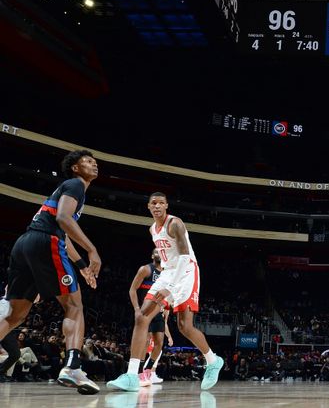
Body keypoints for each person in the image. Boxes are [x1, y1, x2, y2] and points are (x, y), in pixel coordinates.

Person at [0, 150, 101, 394]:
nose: (94, 164)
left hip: (25, 244)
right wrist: (92, 250)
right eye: (88, 161)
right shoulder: (75, 184)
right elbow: (65, 220)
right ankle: (72, 367)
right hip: (45, 241)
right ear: (75, 168)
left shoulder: (67, 190)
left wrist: (82, 267)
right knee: (74, 306)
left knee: (15, 315)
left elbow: (64, 235)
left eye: (95, 162)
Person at [108, 192, 222, 391]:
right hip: (169, 272)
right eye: (154, 203)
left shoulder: (175, 223)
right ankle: (131, 375)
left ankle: (213, 361)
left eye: (161, 203)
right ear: (149, 207)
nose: (158, 206)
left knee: (184, 326)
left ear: (167, 205)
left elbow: (185, 256)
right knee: (142, 317)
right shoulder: (152, 229)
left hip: (187, 271)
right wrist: (166, 282)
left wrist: (169, 287)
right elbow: (168, 259)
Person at [128, 249, 173, 386]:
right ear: (152, 255)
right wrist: (136, 309)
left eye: (162, 251)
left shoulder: (167, 273)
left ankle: (148, 371)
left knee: (159, 343)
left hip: (158, 311)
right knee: (145, 341)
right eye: (156, 251)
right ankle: (139, 372)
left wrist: (167, 307)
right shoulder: (146, 269)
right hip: (145, 311)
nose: (159, 252)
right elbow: (132, 290)